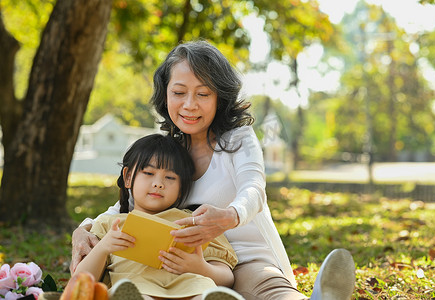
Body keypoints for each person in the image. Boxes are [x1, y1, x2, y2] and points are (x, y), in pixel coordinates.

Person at [71, 40, 356, 300]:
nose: (190, 105)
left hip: (244, 260)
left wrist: (230, 217)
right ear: (165, 95)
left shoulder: (238, 139)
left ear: (220, 97)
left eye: (203, 94)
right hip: (185, 268)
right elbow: (128, 202)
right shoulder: (167, 152)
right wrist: (83, 229)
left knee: (267, 290)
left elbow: (253, 189)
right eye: (179, 93)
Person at [71, 134, 244, 300]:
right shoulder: (109, 224)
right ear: (128, 177)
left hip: (192, 288)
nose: (158, 183)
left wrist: (202, 268)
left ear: (181, 189)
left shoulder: (195, 222)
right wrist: (103, 247)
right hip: (137, 288)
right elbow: (82, 279)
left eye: (170, 177)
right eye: (148, 173)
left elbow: (227, 277)